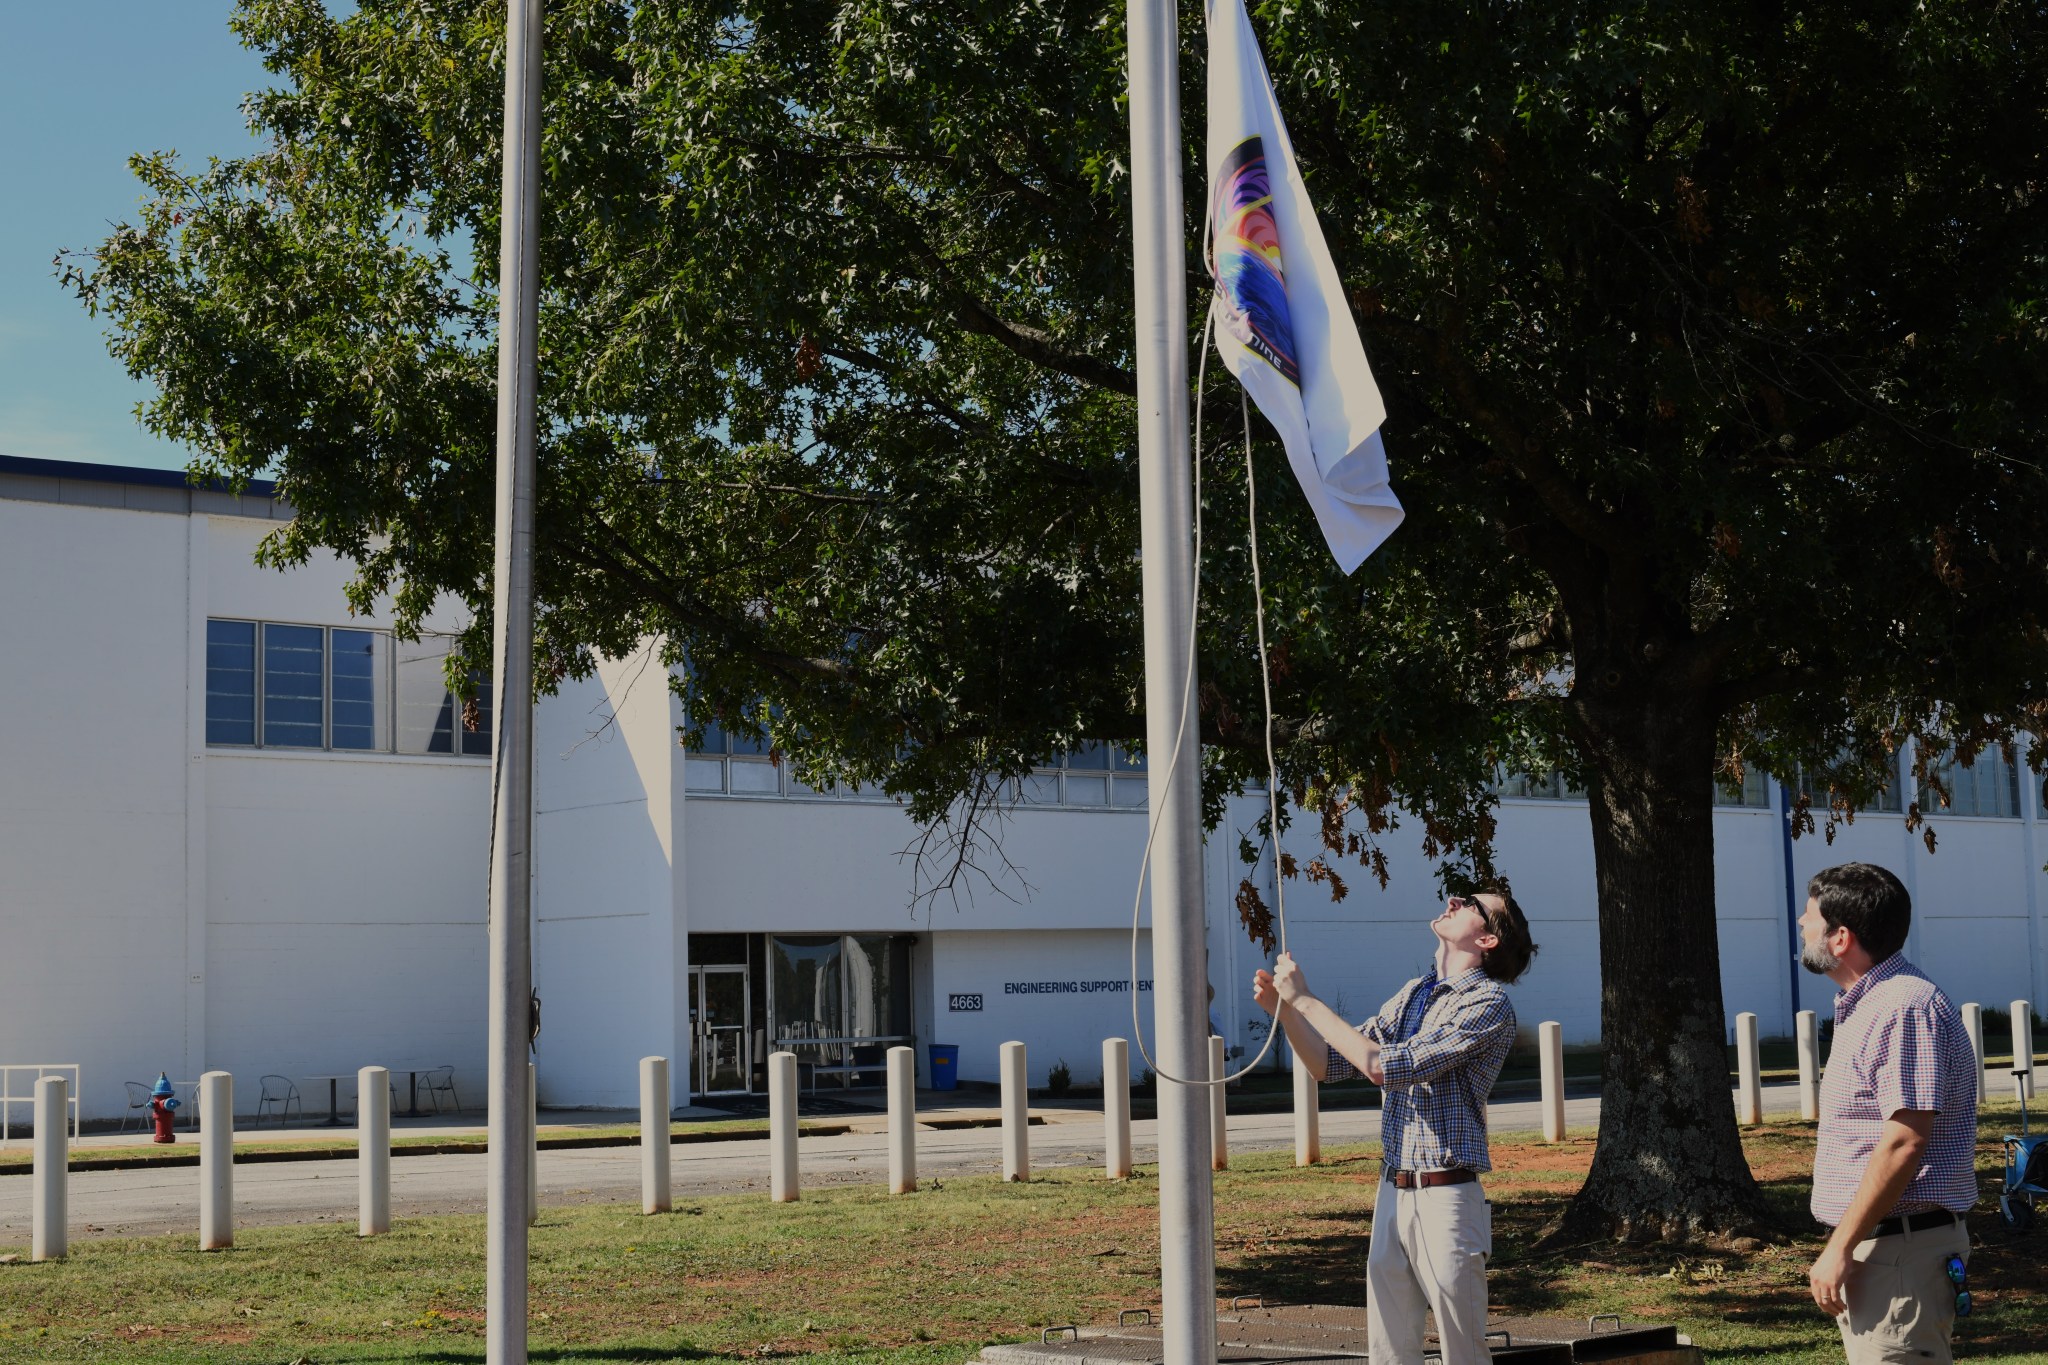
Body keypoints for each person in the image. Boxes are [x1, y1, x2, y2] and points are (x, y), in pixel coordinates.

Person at [1253, 890, 1537, 1364]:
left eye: (1469, 902)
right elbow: (1328, 1065)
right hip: (1393, 1191)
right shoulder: (1414, 993)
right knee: (1388, 1353)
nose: (1452, 899)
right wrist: (1286, 1013)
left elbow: (1383, 1066)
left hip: (1447, 1198)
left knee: (1462, 1352)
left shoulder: (1489, 1004)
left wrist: (1305, 1000)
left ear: (1487, 938)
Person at [1800, 862, 1977, 1363]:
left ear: (1840, 938)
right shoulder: (1872, 1002)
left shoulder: (1902, 1006)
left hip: (1899, 1254)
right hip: (1886, 1251)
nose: (1800, 924)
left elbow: (1905, 1141)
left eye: (1809, 917)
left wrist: (1839, 1248)